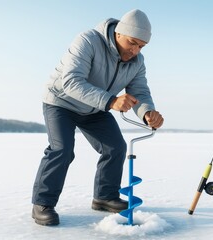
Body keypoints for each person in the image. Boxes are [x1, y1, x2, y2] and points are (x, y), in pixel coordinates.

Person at [31, 9, 164, 226]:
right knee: (62, 149)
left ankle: (104, 197)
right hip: (61, 103)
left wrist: (147, 112)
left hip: (94, 109)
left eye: (141, 46)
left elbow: (139, 92)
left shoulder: (137, 61)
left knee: (116, 147)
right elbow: (72, 81)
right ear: (119, 33)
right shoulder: (88, 40)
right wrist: (112, 101)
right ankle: (42, 204)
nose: (136, 50)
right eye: (132, 42)